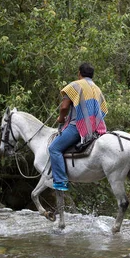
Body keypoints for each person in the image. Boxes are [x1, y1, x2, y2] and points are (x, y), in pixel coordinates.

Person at [48, 63, 108, 191]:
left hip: (78, 127)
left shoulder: (75, 85)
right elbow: (102, 110)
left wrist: (60, 118)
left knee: (54, 148)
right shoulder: (96, 88)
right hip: (96, 129)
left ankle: (60, 181)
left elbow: (64, 107)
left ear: (79, 73)